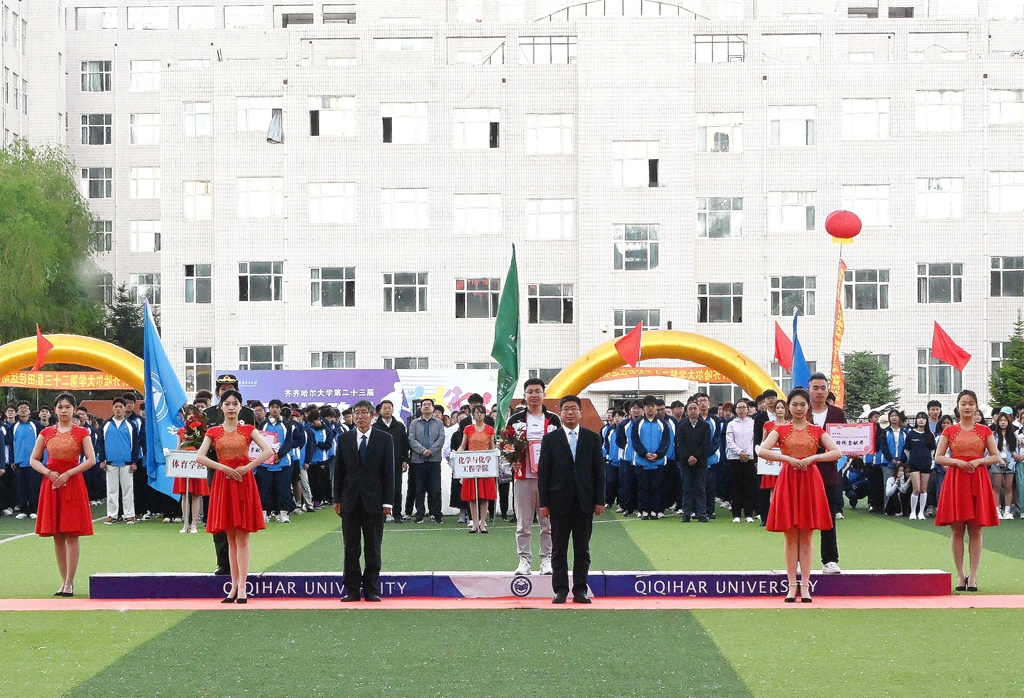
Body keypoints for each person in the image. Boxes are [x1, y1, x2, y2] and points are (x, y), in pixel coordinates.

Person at [757, 388, 842, 603]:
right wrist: (787, 459)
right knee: (790, 535)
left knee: (806, 535)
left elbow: (836, 452)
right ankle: (791, 585)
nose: (798, 408)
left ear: (808, 407)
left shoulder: (816, 430)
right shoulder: (781, 429)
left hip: (810, 480)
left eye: (802, 404)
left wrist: (814, 458)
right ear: (788, 406)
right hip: (788, 479)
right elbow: (762, 450)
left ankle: (805, 586)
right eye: (794, 404)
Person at [196, 390, 272, 603]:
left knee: (242, 537)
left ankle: (243, 587)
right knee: (230, 538)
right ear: (221, 407)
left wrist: (247, 467)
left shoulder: (248, 429)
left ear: (240, 407)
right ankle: (234, 586)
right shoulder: (213, 431)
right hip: (223, 482)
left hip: (242, 482)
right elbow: (200, 457)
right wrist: (223, 468)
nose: (231, 407)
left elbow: (268, 451)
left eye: (235, 403)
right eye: (227, 403)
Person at [538, 395, 605, 604]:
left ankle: (580, 590)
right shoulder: (551, 439)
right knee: (558, 549)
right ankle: (560, 590)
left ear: (580, 413)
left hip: (585, 502)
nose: (569, 413)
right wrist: (544, 503)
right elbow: (544, 473)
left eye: (573, 409)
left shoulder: (592, 438)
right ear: (560, 413)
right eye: (566, 409)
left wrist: (600, 500)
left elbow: (599, 471)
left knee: (582, 549)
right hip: (558, 502)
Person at [29, 393, 97, 597]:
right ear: (55, 410)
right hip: (51, 484)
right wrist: (48, 473)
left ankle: (69, 582)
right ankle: (63, 581)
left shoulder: (82, 432)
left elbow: (91, 459)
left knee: (72, 532)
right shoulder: (46, 432)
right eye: (60, 407)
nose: (64, 410)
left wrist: (68, 473)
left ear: (74, 409)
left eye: (67, 407)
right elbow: (34, 459)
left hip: (72, 483)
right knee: (57, 534)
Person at [935, 390, 1002, 592]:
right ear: (958, 406)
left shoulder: (984, 430)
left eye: (971, 403)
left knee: (976, 529)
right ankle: (960, 574)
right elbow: (939, 457)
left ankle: (972, 576)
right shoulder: (949, 430)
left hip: (978, 479)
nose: (967, 407)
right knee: (957, 529)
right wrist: (956, 462)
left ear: (976, 406)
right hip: (956, 480)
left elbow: (995, 456)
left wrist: (980, 460)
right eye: (963, 403)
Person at [334, 400, 395, 602]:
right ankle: (352, 589)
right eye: (356, 413)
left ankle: (371, 589)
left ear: (372, 415)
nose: (360, 417)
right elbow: (339, 471)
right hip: (349, 500)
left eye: (363, 413)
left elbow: (389, 472)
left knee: (373, 547)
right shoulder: (344, 439)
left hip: (375, 501)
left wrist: (388, 502)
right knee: (350, 548)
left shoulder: (384, 439)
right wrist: (337, 499)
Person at [203, 375, 257, 576]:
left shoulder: (248, 414)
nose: (226, 392)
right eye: (223, 389)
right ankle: (223, 562)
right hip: (217, 470)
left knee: (241, 520)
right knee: (220, 516)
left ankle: (240, 568)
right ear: (218, 392)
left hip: (241, 472)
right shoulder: (208, 414)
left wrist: (247, 466)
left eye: (230, 388)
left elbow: (256, 444)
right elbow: (201, 444)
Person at [506, 378, 561, 575]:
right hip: (523, 477)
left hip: (548, 480)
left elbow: (560, 447)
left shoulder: (554, 419)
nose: (534, 395)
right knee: (524, 523)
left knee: (548, 523)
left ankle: (547, 559)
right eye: (530, 392)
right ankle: (524, 560)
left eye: (538, 391)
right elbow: (507, 445)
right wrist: (513, 460)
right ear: (524, 395)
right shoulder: (515, 420)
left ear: (544, 394)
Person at [807, 373, 846, 574]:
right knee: (803, 518)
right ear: (809, 390)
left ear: (828, 389)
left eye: (823, 387)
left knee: (829, 517)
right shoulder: (801, 412)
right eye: (815, 387)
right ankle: (800, 558)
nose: (819, 391)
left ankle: (830, 560)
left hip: (829, 472)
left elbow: (846, 440)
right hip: (803, 473)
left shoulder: (837, 414)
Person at [98, 397, 141, 525]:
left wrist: (134, 462)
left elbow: (135, 444)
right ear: (112, 408)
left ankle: (129, 515)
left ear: (124, 409)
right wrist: (102, 460)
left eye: (120, 407)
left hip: (127, 463)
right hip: (110, 462)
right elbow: (100, 443)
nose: (118, 409)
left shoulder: (130, 425)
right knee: (112, 490)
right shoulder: (105, 425)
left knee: (128, 490)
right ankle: (112, 515)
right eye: (116, 407)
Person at [631, 395, 672, 520]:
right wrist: (644, 454)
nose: (650, 409)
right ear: (644, 408)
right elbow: (635, 441)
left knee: (656, 487)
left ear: (656, 408)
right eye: (648, 406)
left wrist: (658, 454)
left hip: (658, 462)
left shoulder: (663, 424)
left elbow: (666, 441)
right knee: (642, 487)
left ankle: (655, 510)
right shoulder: (637, 424)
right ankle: (643, 510)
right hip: (641, 461)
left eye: (652, 406)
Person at [458, 404, 497, 533]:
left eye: (481, 412)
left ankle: (483, 523)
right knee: (472, 496)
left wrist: (495, 455)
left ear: (485, 414)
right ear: (473, 414)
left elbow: (492, 447)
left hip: (485, 466)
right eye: (476, 413)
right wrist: (457, 455)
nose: (479, 415)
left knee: (485, 496)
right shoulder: (468, 429)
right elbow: (463, 445)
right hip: (472, 465)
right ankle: (474, 523)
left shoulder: (490, 429)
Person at [408, 399, 445, 524]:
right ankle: (419, 515)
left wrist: (431, 451)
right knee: (419, 489)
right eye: (424, 405)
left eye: (429, 405)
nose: (427, 407)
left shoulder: (439, 423)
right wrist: (423, 450)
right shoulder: (414, 423)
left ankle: (436, 514)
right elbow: (411, 439)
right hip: (418, 461)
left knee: (435, 489)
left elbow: (441, 439)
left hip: (434, 460)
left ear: (433, 408)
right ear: (421, 408)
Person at [175, 405, 210, 534]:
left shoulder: (201, 432)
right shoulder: (181, 431)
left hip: (196, 464)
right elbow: (178, 448)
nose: (190, 416)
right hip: (185, 465)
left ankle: (194, 523)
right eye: (188, 414)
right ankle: (185, 523)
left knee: (196, 495)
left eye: (193, 414)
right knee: (184, 495)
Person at [373, 400, 410, 523]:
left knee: (396, 489)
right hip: (379, 463)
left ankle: (397, 514)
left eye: (389, 408)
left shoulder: (399, 426)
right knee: (380, 488)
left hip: (396, 462)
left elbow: (405, 445)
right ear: (380, 411)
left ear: (393, 410)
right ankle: (381, 514)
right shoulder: (375, 427)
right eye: (384, 408)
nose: (387, 410)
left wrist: (405, 460)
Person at [676, 400, 712, 523]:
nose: (693, 411)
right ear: (686, 411)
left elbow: (706, 444)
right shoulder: (681, 426)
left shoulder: (705, 426)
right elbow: (680, 444)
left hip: (700, 462)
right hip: (685, 462)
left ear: (699, 410)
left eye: (694, 408)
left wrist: (696, 456)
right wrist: (688, 457)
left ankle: (701, 513)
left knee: (701, 488)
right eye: (690, 409)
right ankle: (686, 513)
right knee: (686, 488)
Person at [8, 400, 44, 520]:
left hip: (34, 461)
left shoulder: (36, 425)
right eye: (21, 408)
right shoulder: (13, 427)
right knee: (20, 486)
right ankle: (23, 510)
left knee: (33, 486)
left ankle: (33, 509)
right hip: (19, 461)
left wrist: (40, 459)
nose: (23, 410)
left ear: (30, 411)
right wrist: (12, 460)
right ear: (17, 412)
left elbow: (42, 443)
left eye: (26, 408)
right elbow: (11, 445)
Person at [726, 399, 758, 523]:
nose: (742, 410)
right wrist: (740, 452)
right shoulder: (731, 424)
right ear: (735, 409)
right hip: (735, 458)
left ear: (748, 409)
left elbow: (755, 440)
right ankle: (736, 514)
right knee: (736, 486)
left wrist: (748, 453)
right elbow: (729, 441)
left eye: (744, 407)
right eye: (739, 407)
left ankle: (748, 514)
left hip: (749, 458)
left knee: (749, 486)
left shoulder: (753, 423)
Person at [905, 412, 936, 520]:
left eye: (923, 418)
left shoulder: (930, 434)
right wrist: (912, 458)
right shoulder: (911, 434)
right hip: (914, 464)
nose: (921, 420)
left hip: (926, 464)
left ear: (926, 420)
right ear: (916, 420)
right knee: (916, 489)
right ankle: (913, 512)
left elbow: (933, 449)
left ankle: (921, 512)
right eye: (919, 418)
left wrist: (929, 459)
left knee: (923, 489)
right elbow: (906, 449)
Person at [990, 410, 1017, 520]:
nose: (1003, 422)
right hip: (997, 461)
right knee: (996, 486)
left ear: (1008, 422)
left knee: (1008, 487)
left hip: (1010, 462)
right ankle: (997, 510)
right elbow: (992, 450)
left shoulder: (1013, 435)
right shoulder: (993, 435)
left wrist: (1012, 461)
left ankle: (1007, 511)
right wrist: (998, 460)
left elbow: (1015, 450)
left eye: (1005, 420)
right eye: (1001, 420)